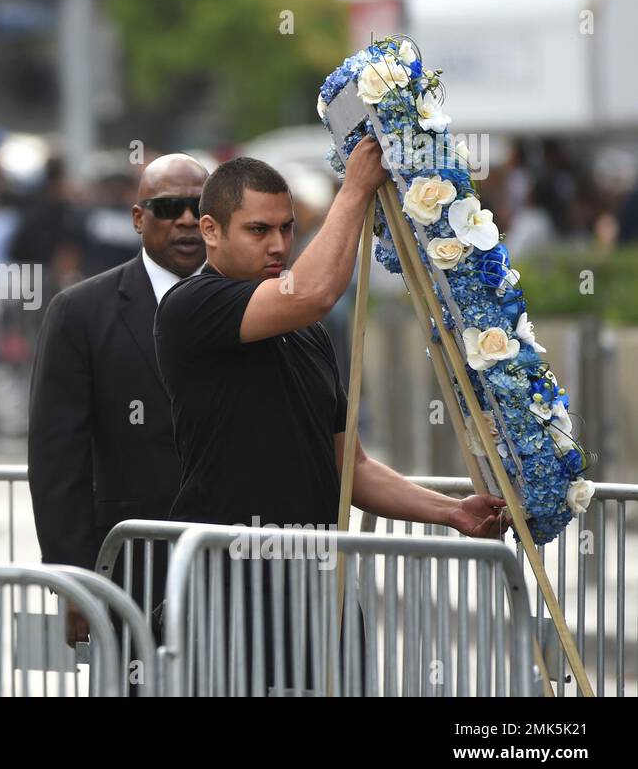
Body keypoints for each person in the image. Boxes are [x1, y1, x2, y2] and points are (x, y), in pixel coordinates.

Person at [153, 144, 509, 691]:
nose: (277, 245)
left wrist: (453, 512)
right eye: (257, 230)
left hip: (321, 583)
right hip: (227, 583)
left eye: (286, 228)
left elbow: (354, 469)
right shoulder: (190, 306)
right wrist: (356, 189)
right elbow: (316, 291)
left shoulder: (309, 335)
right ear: (210, 230)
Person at [28, 153, 209, 645]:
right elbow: (56, 456)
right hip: (129, 568)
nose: (188, 220)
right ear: (138, 218)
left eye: (199, 206)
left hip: (229, 563)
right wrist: (75, 582)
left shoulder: (250, 301)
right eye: (169, 207)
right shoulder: (80, 312)